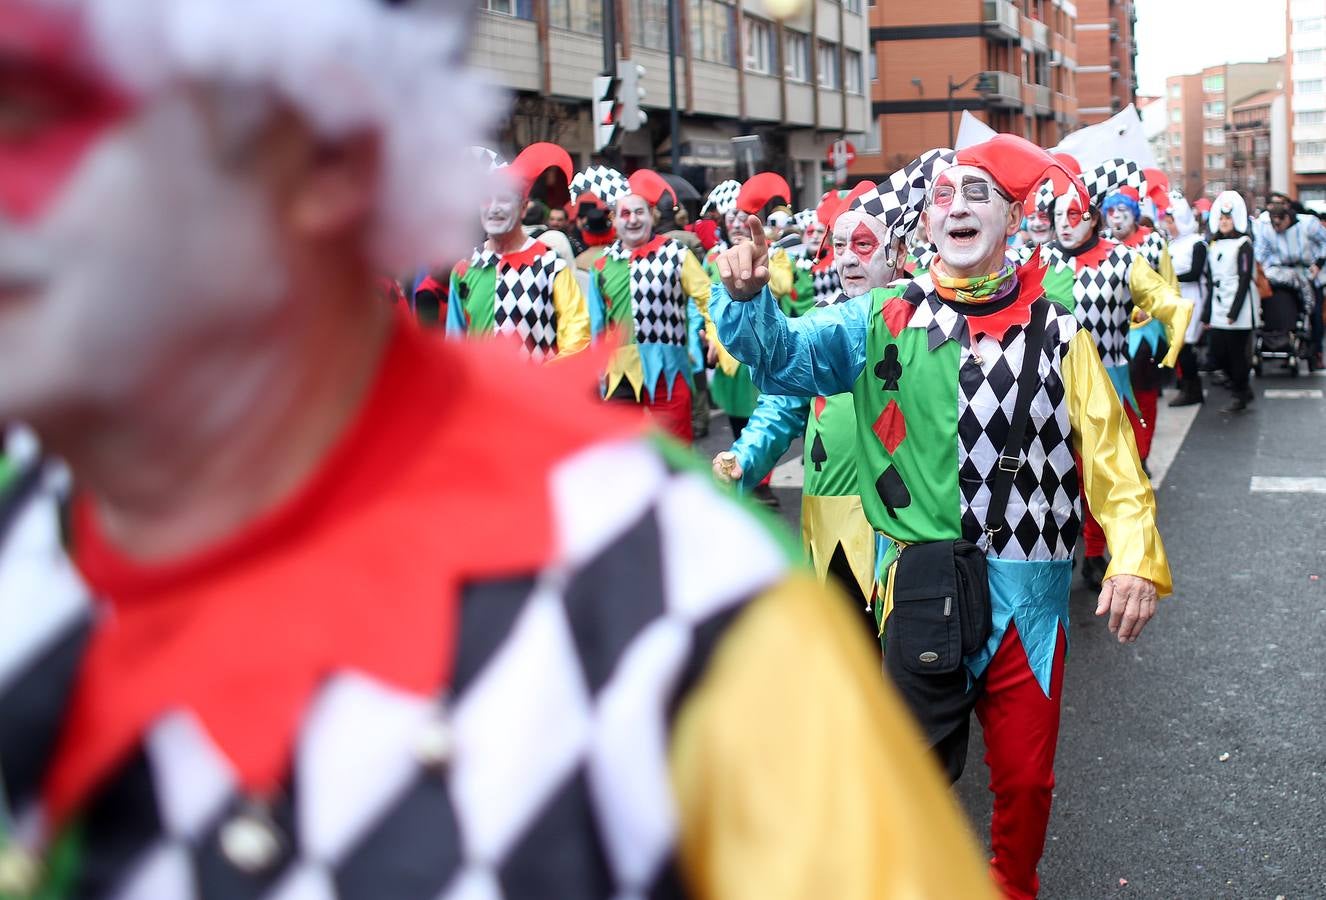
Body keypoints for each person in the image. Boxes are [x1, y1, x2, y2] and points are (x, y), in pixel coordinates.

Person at [0, 1, 1000, 898]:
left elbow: (738, 357)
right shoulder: (26, 538)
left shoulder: (676, 596)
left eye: (38, 114)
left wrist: (724, 328)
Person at [712, 134, 1173, 900]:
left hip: (1031, 597)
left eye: (976, 196)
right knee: (909, 775)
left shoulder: (1062, 333)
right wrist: (747, 300)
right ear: (924, 225)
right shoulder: (877, 317)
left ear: (1011, 219)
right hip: (921, 583)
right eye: (942, 199)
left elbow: (1115, 465)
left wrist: (1132, 556)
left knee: (1024, 780)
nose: (956, 208)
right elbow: (786, 360)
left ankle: (1011, 886)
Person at [712, 149, 955, 640]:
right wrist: (745, 457)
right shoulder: (823, 325)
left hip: (904, 523)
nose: (845, 257)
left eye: (862, 244)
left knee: (910, 669)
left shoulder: (933, 324)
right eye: (838, 245)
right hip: (826, 517)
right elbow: (779, 404)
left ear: (899, 252)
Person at [1035, 157, 1191, 589]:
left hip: (1109, 385)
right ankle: (1059, 551)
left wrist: (1165, 329)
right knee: (1052, 476)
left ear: (1094, 217)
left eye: (1075, 215)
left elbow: (1168, 300)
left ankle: (1093, 553)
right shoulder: (1038, 261)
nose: (1064, 225)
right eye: (1057, 216)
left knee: (1103, 478)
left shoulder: (1123, 259)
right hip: (1050, 389)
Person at [587, 180, 714, 443]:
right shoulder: (600, 265)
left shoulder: (676, 254)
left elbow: (707, 297)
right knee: (625, 457)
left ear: (652, 214)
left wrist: (714, 334)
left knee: (674, 451)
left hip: (669, 368)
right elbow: (595, 327)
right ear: (613, 219)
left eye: (639, 212)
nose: (632, 220)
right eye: (625, 213)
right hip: (619, 375)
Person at [447, 144, 590, 361]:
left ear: (523, 208)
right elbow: (454, 346)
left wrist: (542, 384)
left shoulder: (551, 265)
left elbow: (577, 338)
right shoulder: (464, 268)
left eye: (504, 199)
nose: (494, 208)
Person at [1253, 191, 1326, 370]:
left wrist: (1318, 264)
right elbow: (1261, 252)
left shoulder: (1308, 224)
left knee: (1314, 313)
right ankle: (1282, 341)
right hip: (1281, 274)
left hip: (1308, 272)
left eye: (1280, 224)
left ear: (1287, 218)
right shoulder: (1267, 229)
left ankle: (1316, 352)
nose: (1277, 228)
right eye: (1273, 224)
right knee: (1278, 306)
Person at [1206, 191, 1258, 413]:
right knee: (1217, 352)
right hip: (1218, 306)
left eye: (1228, 218)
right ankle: (1242, 387)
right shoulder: (1214, 244)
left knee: (1237, 354)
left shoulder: (1244, 244)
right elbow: (1210, 280)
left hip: (1239, 307)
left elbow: (1245, 279)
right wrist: (1207, 313)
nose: (1224, 222)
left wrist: (1234, 311)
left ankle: (1240, 393)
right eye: (1221, 218)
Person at [1167, 195, 1210, 406]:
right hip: (1173, 301)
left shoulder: (1197, 243)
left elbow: (1195, 273)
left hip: (1191, 300)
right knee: (1177, 346)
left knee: (1185, 346)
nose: (1168, 226)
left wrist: (1168, 277)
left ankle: (1192, 389)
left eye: (1171, 221)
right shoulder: (1170, 244)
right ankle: (1186, 385)